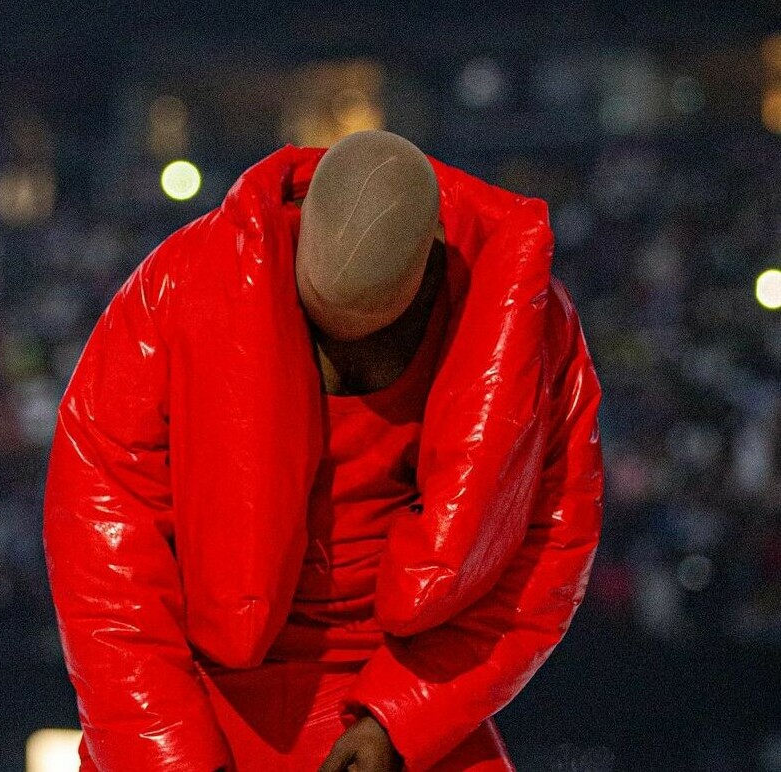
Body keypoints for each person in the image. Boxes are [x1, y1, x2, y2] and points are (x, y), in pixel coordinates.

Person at [43, 129, 605, 771]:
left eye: (361, 343)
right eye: (315, 334)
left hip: (401, 677)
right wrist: (170, 757)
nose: (334, 368)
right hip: (198, 680)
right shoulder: (179, 291)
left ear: (430, 277)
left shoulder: (529, 328)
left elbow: (549, 554)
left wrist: (400, 719)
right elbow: (103, 564)